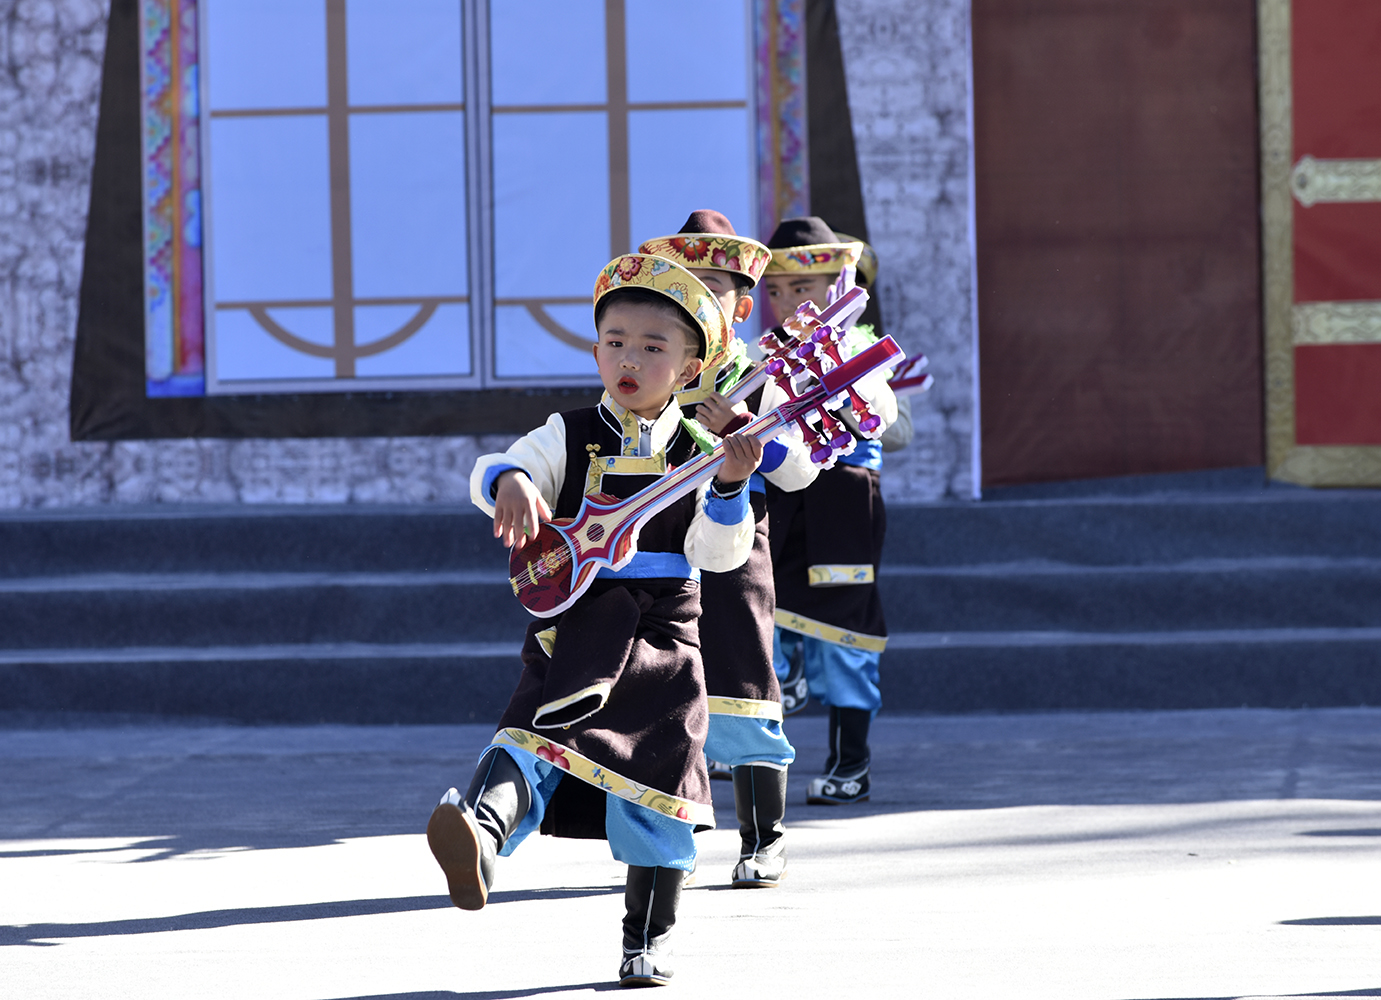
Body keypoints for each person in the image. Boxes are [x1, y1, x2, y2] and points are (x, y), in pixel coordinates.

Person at [428, 252, 763, 988]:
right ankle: (479, 837)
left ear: (689, 366)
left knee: (662, 791)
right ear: (595, 351)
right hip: (579, 616)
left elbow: (717, 553)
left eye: (652, 347)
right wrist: (513, 482)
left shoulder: (706, 450)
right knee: (531, 736)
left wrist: (733, 486)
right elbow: (502, 464)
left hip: (666, 633)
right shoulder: (570, 430)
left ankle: (647, 940)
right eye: (615, 342)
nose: (630, 359)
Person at [639, 210, 818, 888]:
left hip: (737, 538)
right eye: (682, 282)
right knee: (653, 689)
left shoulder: (764, 373)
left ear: (742, 306)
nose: (697, 296)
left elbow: (799, 471)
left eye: (713, 286)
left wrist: (743, 427)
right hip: (655, 546)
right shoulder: (649, 361)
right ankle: (660, 839)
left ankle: (762, 836)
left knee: (742, 680)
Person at [761, 216, 914, 806]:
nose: (786, 302)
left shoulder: (858, 351)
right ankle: (768, 708)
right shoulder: (765, 355)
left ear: (839, 284)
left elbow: (894, 426)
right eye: (774, 292)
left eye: (801, 289)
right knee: (760, 599)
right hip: (782, 494)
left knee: (846, 624)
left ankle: (851, 763)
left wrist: (853, 396)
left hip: (844, 502)